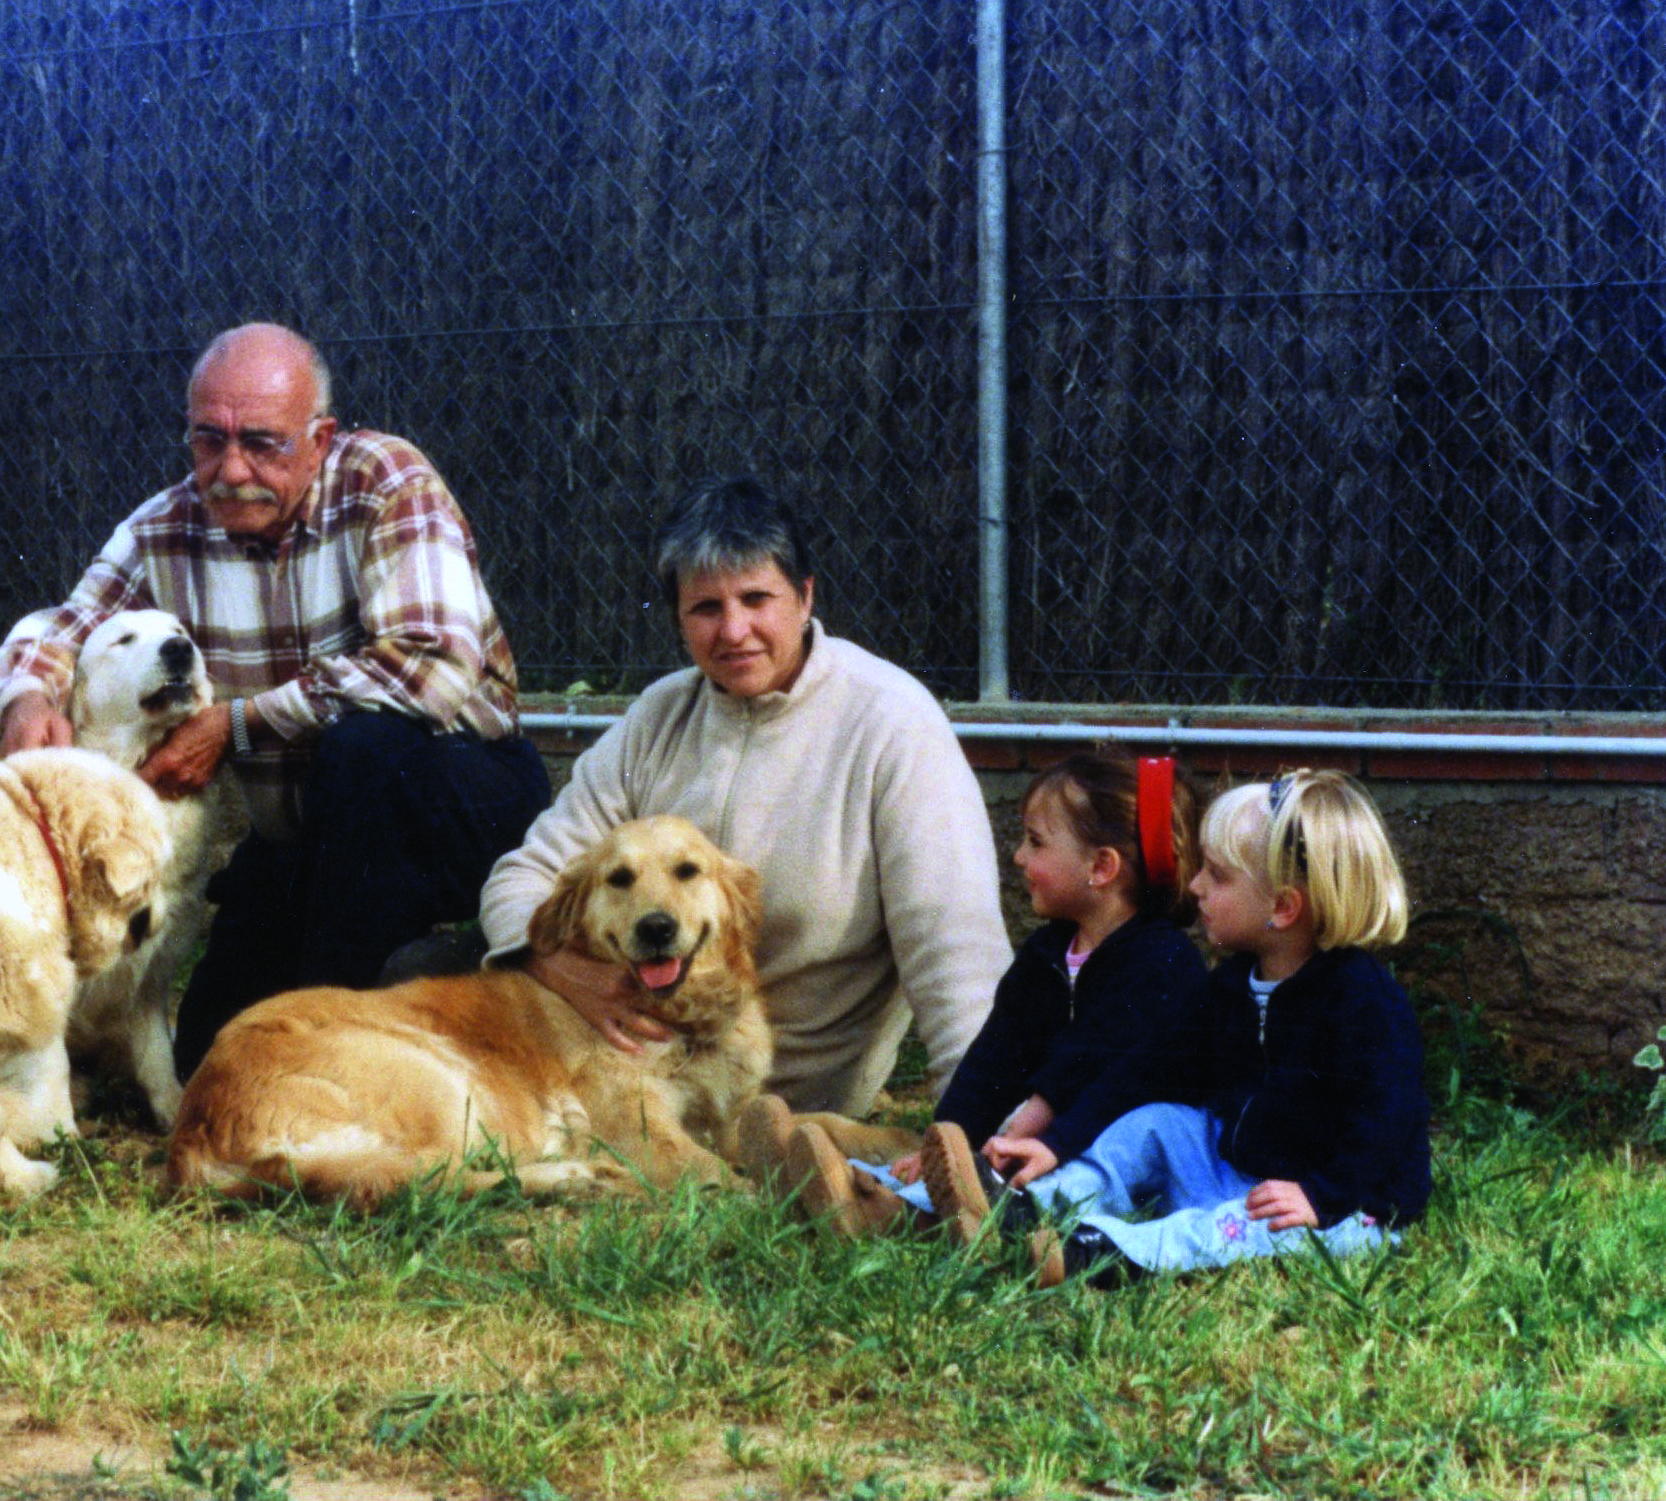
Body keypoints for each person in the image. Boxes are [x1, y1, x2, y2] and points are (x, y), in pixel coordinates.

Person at [0, 322, 550, 1077]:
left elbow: (430, 666)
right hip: (308, 843)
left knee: (366, 747)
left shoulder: (386, 480)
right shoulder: (166, 527)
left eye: (260, 443)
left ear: (320, 439)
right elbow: (62, 630)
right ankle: (400, 974)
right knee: (209, 1053)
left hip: (456, 801)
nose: (231, 469)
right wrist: (26, 698)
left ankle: (358, 1036)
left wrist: (238, 724)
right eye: (208, 440)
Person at [477, 475, 1012, 1118]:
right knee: (421, 970)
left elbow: (955, 953)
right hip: (633, 1076)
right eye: (706, 608)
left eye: (756, 598)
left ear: (805, 596)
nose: (734, 630)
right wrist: (558, 966)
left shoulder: (893, 724)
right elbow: (524, 877)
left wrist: (985, 1123)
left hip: (794, 1102)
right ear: (678, 619)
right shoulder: (657, 718)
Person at [937, 768, 1431, 1285]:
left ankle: (1101, 1254)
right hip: (1237, 1168)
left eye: (1217, 876)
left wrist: (1320, 1195)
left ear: (1283, 907)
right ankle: (1029, 1207)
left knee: (1230, 1229)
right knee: (1158, 1123)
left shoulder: (1364, 1002)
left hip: (1341, 1208)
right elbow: (1148, 1069)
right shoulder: (1232, 985)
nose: (1195, 886)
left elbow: (1388, 1121)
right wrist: (1057, 1142)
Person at [770, 750, 1210, 1235]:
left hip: (1119, 1148)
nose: (1018, 856)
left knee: (1067, 1177)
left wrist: (1039, 1136)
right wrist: (945, 1140)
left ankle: (904, 1215)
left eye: (1036, 842)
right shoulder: (1048, 952)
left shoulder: (1162, 962)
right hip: (1050, 1139)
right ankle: (842, 1184)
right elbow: (995, 1058)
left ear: (1102, 867)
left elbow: (1105, 1072)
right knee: (980, 1166)